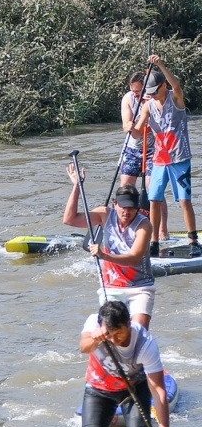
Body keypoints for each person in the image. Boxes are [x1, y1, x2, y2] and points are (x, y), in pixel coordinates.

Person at [80, 299, 171, 427]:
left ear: (128, 323)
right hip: (98, 390)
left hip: (133, 390)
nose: (114, 340)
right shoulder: (94, 324)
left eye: (119, 333)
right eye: (110, 334)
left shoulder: (145, 342)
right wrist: (95, 339)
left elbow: (158, 390)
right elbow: (83, 347)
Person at [63, 170, 156, 330]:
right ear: (115, 204)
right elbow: (69, 219)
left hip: (140, 287)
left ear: (138, 208)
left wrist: (103, 255)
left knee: (138, 332)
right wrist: (77, 186)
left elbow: (133, 258)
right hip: (112, 286)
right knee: (111, 333)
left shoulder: (144, 225)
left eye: (131, 208)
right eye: (122, 207)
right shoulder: (104, 214)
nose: (126, 212)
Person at [140, 55, 200, 256]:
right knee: (154, 200)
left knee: (184, 201)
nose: (152, 95)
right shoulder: (148, 105)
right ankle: (154, 242)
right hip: (159, 160)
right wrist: (132, 128)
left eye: (154, 91)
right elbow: (138, 129)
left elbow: (177, 84)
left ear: (163, 86)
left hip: (180, 158)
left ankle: (193, 241)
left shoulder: (175, 98)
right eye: (149, 93)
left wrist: (160, 65)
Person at [119, 68, 151, 192]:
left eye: (139, 92)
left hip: (153, 149)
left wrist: (147, 107)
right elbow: (128, 128)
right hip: (132, 148)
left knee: (153, 188)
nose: (136, 96)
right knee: (125, 187)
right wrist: (130, 126)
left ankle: (160, 212)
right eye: (133, 92)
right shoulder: (128, 98)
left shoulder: (155, 100)